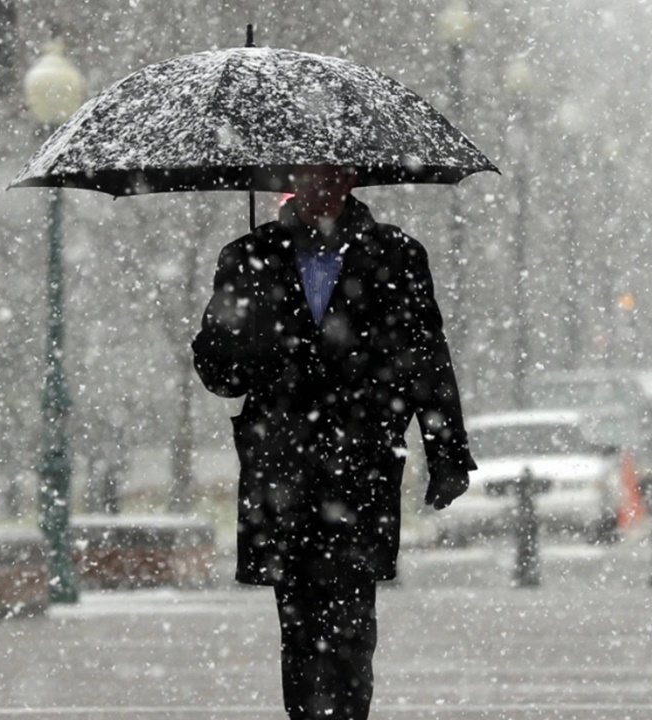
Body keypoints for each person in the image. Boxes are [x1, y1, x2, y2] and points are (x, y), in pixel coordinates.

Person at [192, 165, 476, 719]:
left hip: (362, 464)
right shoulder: (248, 258)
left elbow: (427, 360)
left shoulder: (397, 255)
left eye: (333, 170)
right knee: (298, 627)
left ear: (352, 175)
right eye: (309, 170)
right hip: (283, 471)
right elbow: (220, 375)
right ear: (289, 175)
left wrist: (447, 453)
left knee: (351, 628)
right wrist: (238, 335)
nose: (322, 182)